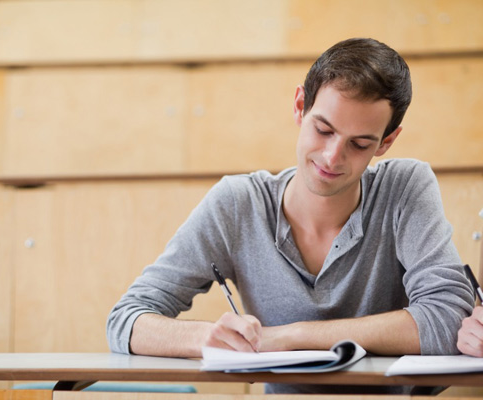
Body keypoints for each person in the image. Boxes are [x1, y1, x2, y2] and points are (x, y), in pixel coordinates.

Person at [107, 38, 474, 394]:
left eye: (359, 144)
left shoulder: (404, 187)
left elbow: (446, 319)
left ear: (386, 142)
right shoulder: (238, 204)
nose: (332, 157)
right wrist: (205, 337)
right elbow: (126, 320)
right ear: (300, 106)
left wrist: (289, 336)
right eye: (323, 129)